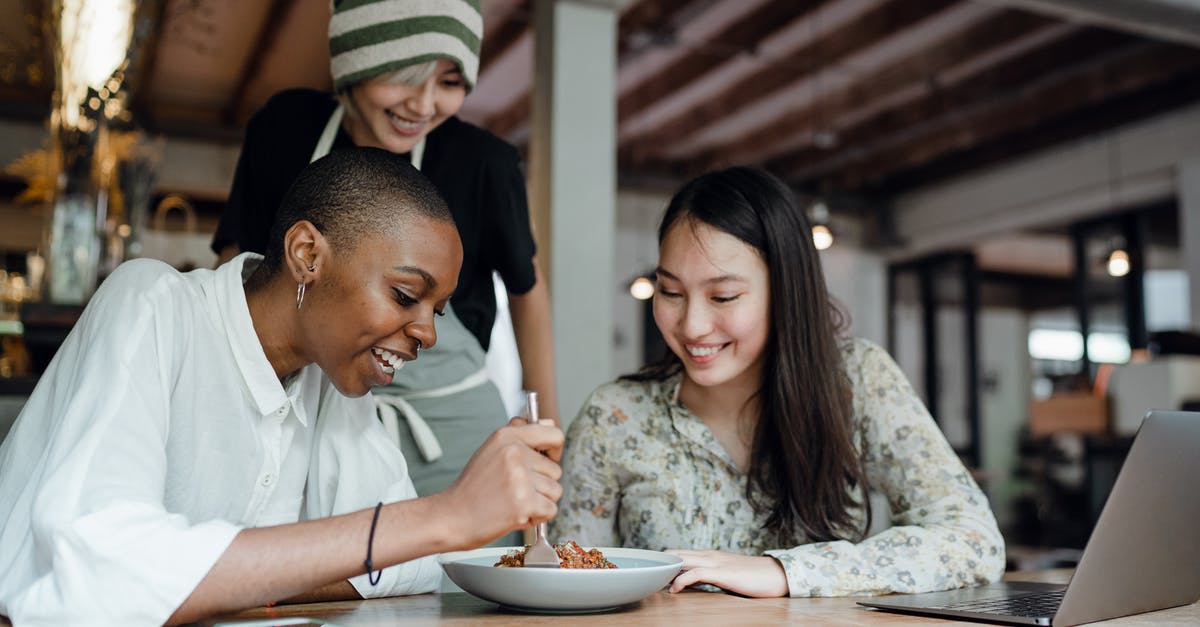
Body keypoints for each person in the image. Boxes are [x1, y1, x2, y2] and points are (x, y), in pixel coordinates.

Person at [0, 148, 564, 625]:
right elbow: (99, 575)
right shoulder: (152, 304)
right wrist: (445, 516)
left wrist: (231, 579)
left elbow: (411, 564)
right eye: (404, 295)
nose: (427, 333)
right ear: (307, 255)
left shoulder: (331, 378)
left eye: (437, 310)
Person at [552, 167, 1004, 598]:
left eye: (723, 296)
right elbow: (565, 582)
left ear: (786, 290)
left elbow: (973, 540)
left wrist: (786, 571)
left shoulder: (857, 379)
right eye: (670, 292)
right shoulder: (614, 416)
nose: (692, 326)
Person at [210, 0, 557, 497]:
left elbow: (528, 292)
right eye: (404, 75)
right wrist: (219, 387)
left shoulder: (484, 163)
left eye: (450, 83)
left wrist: (542, 426)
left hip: (446, 435)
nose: (423, 104)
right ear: (355, 60)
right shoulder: (284, 129)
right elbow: (235, 270)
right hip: (297, 418)